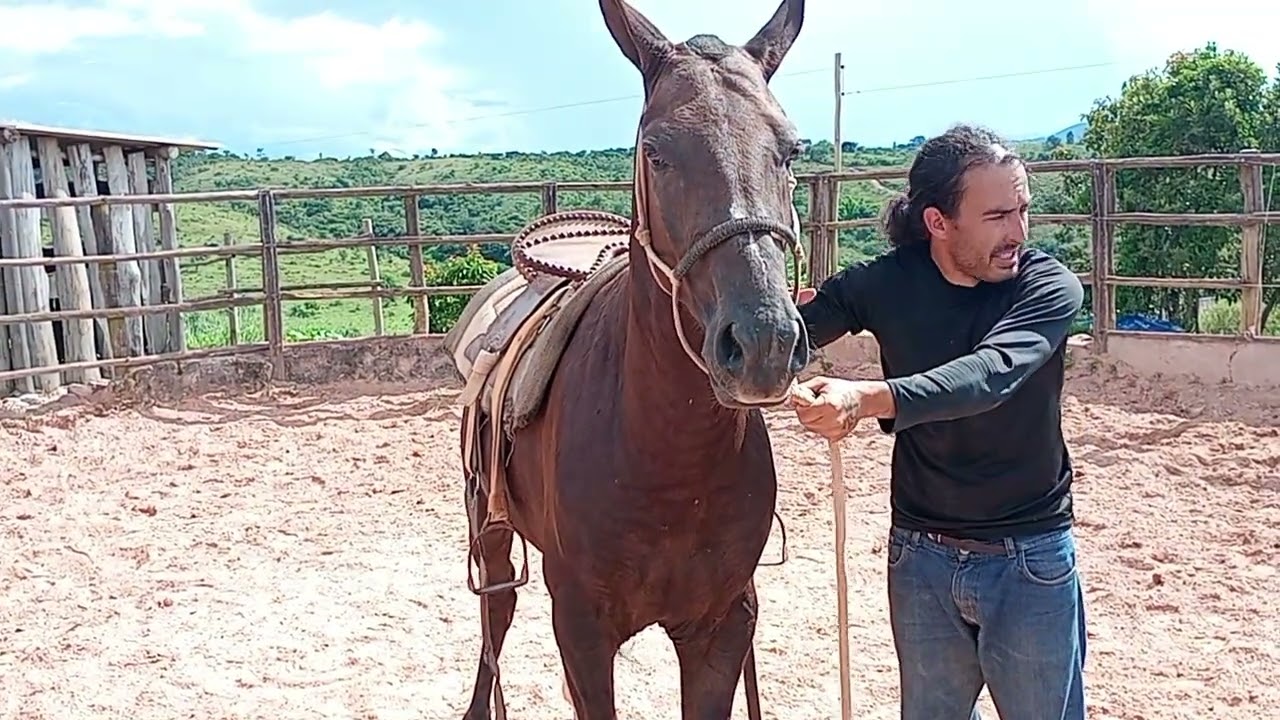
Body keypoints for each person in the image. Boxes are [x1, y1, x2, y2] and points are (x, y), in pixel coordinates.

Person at [789, 123, 1088, 720]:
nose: (1018, 233)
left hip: (1028, 559)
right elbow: (789, 338)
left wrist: (864, 398)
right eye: (998, 215)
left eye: (1022, 210)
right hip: (919, 558)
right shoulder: (885, 282)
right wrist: (773, 313)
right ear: (938, 222)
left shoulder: (1047, 286)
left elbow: (988, 376)